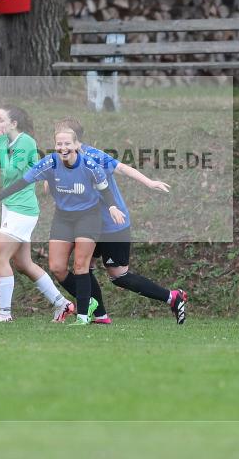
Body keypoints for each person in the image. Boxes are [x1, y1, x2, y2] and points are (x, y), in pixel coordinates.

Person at [53, 117, 188, 325]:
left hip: (112, 224)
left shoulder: (93, 156)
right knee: (82, 267)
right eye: (58, 139)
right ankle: (99, 315)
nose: (61, 143)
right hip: (86, 223)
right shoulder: (60, 160)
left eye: (65, 139)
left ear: (75, 139)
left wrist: (149, 182)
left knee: (119, 276)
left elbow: (122, 168)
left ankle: (172, 297)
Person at [0, 126, 125, 325]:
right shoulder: (50, 162)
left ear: (76, 145)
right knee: (57, 267)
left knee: (80, 265)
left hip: (88, 217)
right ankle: (89, 302)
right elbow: (22, 182)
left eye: (67, 143)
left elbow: (105, 190)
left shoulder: (90, 166)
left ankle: (83, 316)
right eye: (59, 144)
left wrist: (112, 207)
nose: (63, 147)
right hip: (63, 218)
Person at [0, 105, 75, 323]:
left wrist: (1, 143)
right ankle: (62, 304)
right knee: (23, 264)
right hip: (11, 208)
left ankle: (4, 313)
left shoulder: (26, 142)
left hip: (22, 210)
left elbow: (11, 173)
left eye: (0, 119)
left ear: (13, 124)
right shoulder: (6, 142)